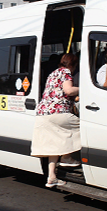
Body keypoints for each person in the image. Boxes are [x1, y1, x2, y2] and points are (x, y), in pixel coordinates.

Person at [31, 53, 81, 188]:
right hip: (57, 112)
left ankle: (51, 177)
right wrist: (84, 89)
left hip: (42, 113)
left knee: (54, 145)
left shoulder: (53, 73)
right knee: (85, 127)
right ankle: (66, 157)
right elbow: (68, 90)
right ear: (73, 65)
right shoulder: (66, 72)